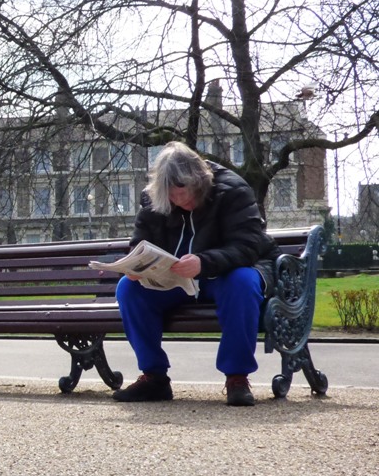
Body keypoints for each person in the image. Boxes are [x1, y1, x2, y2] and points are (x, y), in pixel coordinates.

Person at [114, 141, 278, 406]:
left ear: (199, 180)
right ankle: (154, 377)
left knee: (243, 282)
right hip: (175, 280)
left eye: (186, 195)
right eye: (173, 198)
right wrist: (136, 266)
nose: (181, 202)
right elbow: (140, 240)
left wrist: (204, 262)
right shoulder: (154, 196)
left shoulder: (233, 190)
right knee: (128, 288)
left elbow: (248, 246)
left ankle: (237, 377)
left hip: (223, 275)